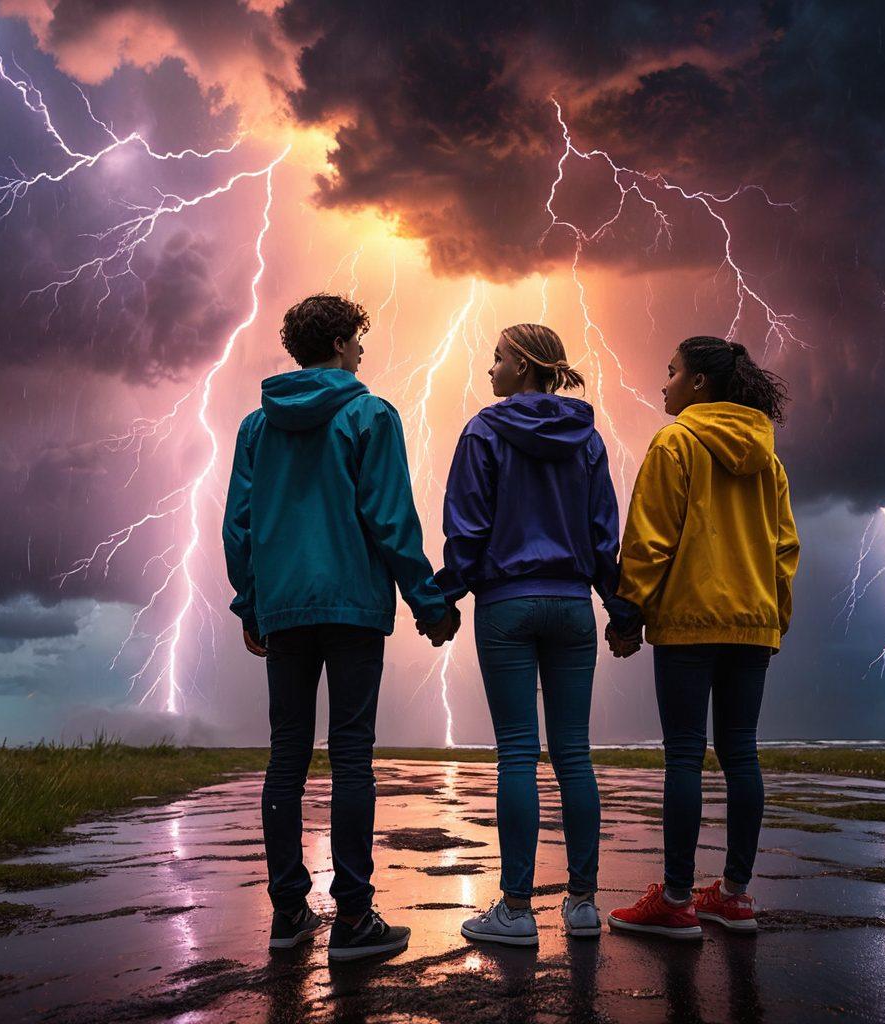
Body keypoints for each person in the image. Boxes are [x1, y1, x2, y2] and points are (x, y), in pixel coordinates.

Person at [222, 293, 459, 961]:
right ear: (337, 344)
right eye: (357, 337)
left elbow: (238, 525)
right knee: (352, 755)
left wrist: (251, 604)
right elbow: (390, 518)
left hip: (285, 611)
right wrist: (429, 602)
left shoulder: (257, 426)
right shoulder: (370, 414)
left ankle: (288, 913)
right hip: (352, 607)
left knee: (286, 756)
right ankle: (353, 918)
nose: (361, 349)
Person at [434, 323, 636, 947]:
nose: (489, 368)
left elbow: (467, 528)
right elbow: (603, 533)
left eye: (496, 358)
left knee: (518, 753)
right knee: (573, 753)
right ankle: (583, 906)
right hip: (573, 606)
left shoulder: (482, 432)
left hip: (507, 606)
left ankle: (517, 911)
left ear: (523, 365)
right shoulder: (587, 439)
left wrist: (443, 599)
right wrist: (620, 609)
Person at [606, 335, 799, 939]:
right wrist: (773, 617)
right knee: (741, 753)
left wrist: (628, 612)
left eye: (670, 372)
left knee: (685, 755)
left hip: (689, 622)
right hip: (752, 624)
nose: (662, 383)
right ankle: (735, 897)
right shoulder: (768, 460)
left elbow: (651, 538)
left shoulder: (676, 442)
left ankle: (677, 900)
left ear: (697, 383)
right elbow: (785, 548)